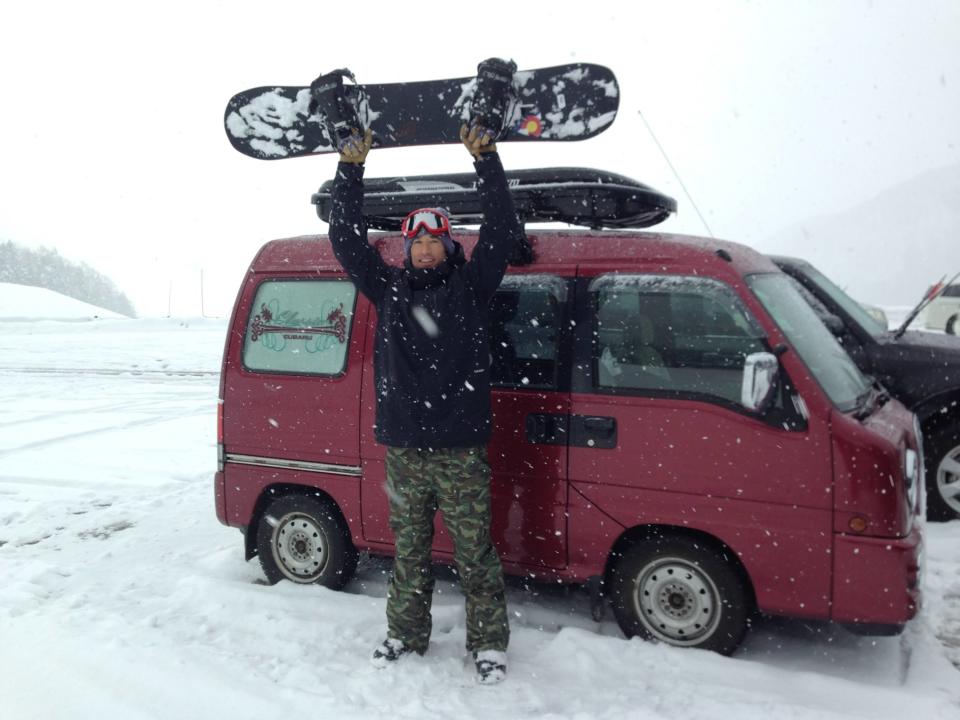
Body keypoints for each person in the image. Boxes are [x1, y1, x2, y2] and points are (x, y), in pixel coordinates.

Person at [327, 123, 522, 685]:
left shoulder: (471, 287)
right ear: (407, 247)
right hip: (406, 451)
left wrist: (485, 158)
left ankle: (488, 645)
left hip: (460, 450)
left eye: (435, 239)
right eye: (416, 241)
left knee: (475, 555)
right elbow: (344, 240)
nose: (425, 247)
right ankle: (404, 634)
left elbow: (504, 229)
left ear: (449, 244)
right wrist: (350, 168)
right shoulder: (388, 291)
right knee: (408, 554)